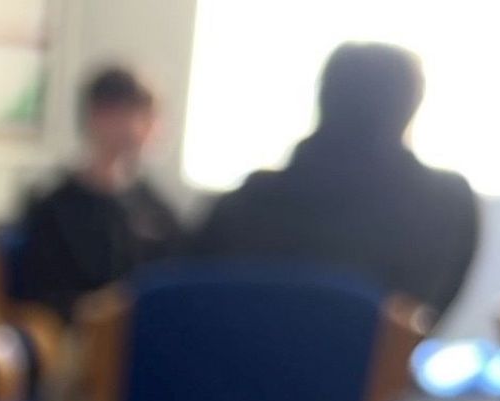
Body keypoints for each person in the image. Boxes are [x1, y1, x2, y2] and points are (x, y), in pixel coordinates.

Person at [188, 42, 480, 320]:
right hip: (373, 371)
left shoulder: (241, 205)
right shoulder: (448, 205)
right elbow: (426, 315)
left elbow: (193, 298)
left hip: (233, 369)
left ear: (325, 96)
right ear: (410, 106)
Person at [15, 66, 184, 320]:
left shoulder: (155, 207)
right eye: (141, 114)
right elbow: (38, 298)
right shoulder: (54, 209)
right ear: (100, 116)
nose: (152, 128)